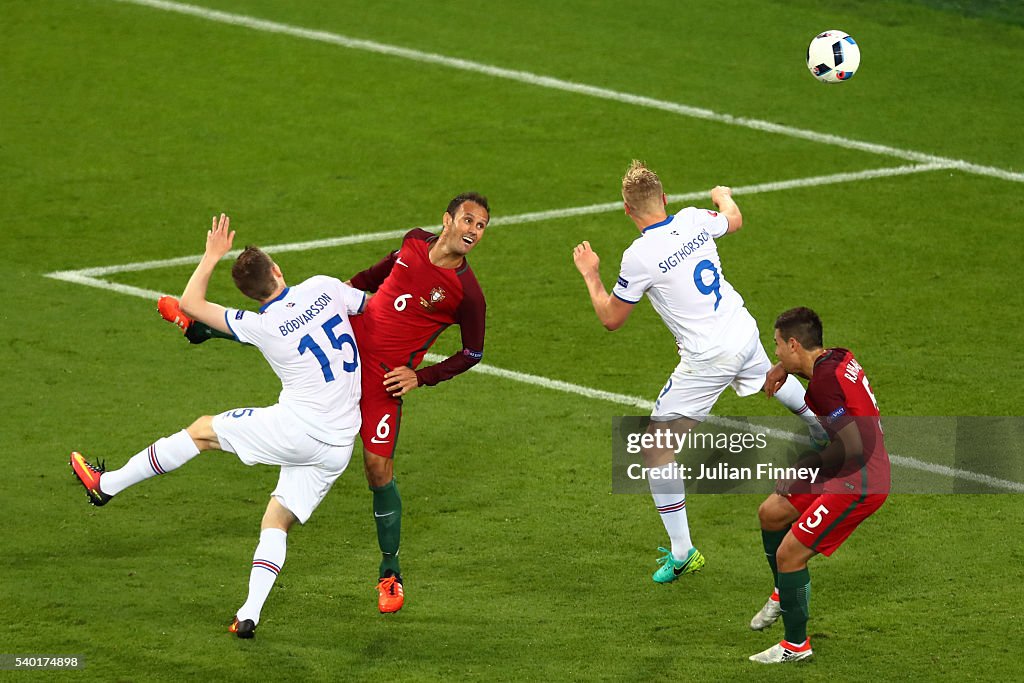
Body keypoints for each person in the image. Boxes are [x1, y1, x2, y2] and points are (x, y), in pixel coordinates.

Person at [157, 194, 489, 613]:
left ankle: (390, 572)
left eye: (481, 226)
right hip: (354, 340)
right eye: (468, 220)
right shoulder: (413, 241)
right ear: (447, 220)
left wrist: (420, 377)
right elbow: (381, 270)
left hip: (385, 379)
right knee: (293, 330)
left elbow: (473, 352)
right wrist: (351, 286)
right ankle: (200, 328)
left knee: (377, 468)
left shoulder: (468, 294)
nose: (473, 231)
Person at [70, 214, 366, 639]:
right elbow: (373, 308)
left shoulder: (259, 324)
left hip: (298, 430)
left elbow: (190, 303)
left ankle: (107, 485)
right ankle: (248, 615)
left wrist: (211, 256)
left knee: (202, 430)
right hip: (341, 443)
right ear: (278, 270)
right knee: (277, 519)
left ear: (246, 294)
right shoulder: (325, 286)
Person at [571, 160, 828, 584]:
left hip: (708, 357)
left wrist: (591, 274)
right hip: (739, 327)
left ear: (626, 210)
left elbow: (611, 318)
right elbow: (734, 219)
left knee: (655, 450)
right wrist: (722, 194)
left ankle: (682, 551)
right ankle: (823, 429)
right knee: (766, 374)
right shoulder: (693, 219)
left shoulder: (638, 256)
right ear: (665, 199)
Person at [748, 307, 890, 664]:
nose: (775, 351)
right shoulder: (836, 357)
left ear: (795, 343)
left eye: (778, 346)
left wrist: (805, 467)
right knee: (771, 513)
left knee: (789, 555)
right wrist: (784, 367)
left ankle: (796, 647)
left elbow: (853, 449)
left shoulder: (824, 385)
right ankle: (783, 592)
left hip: (861, 480)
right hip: (847, 461)